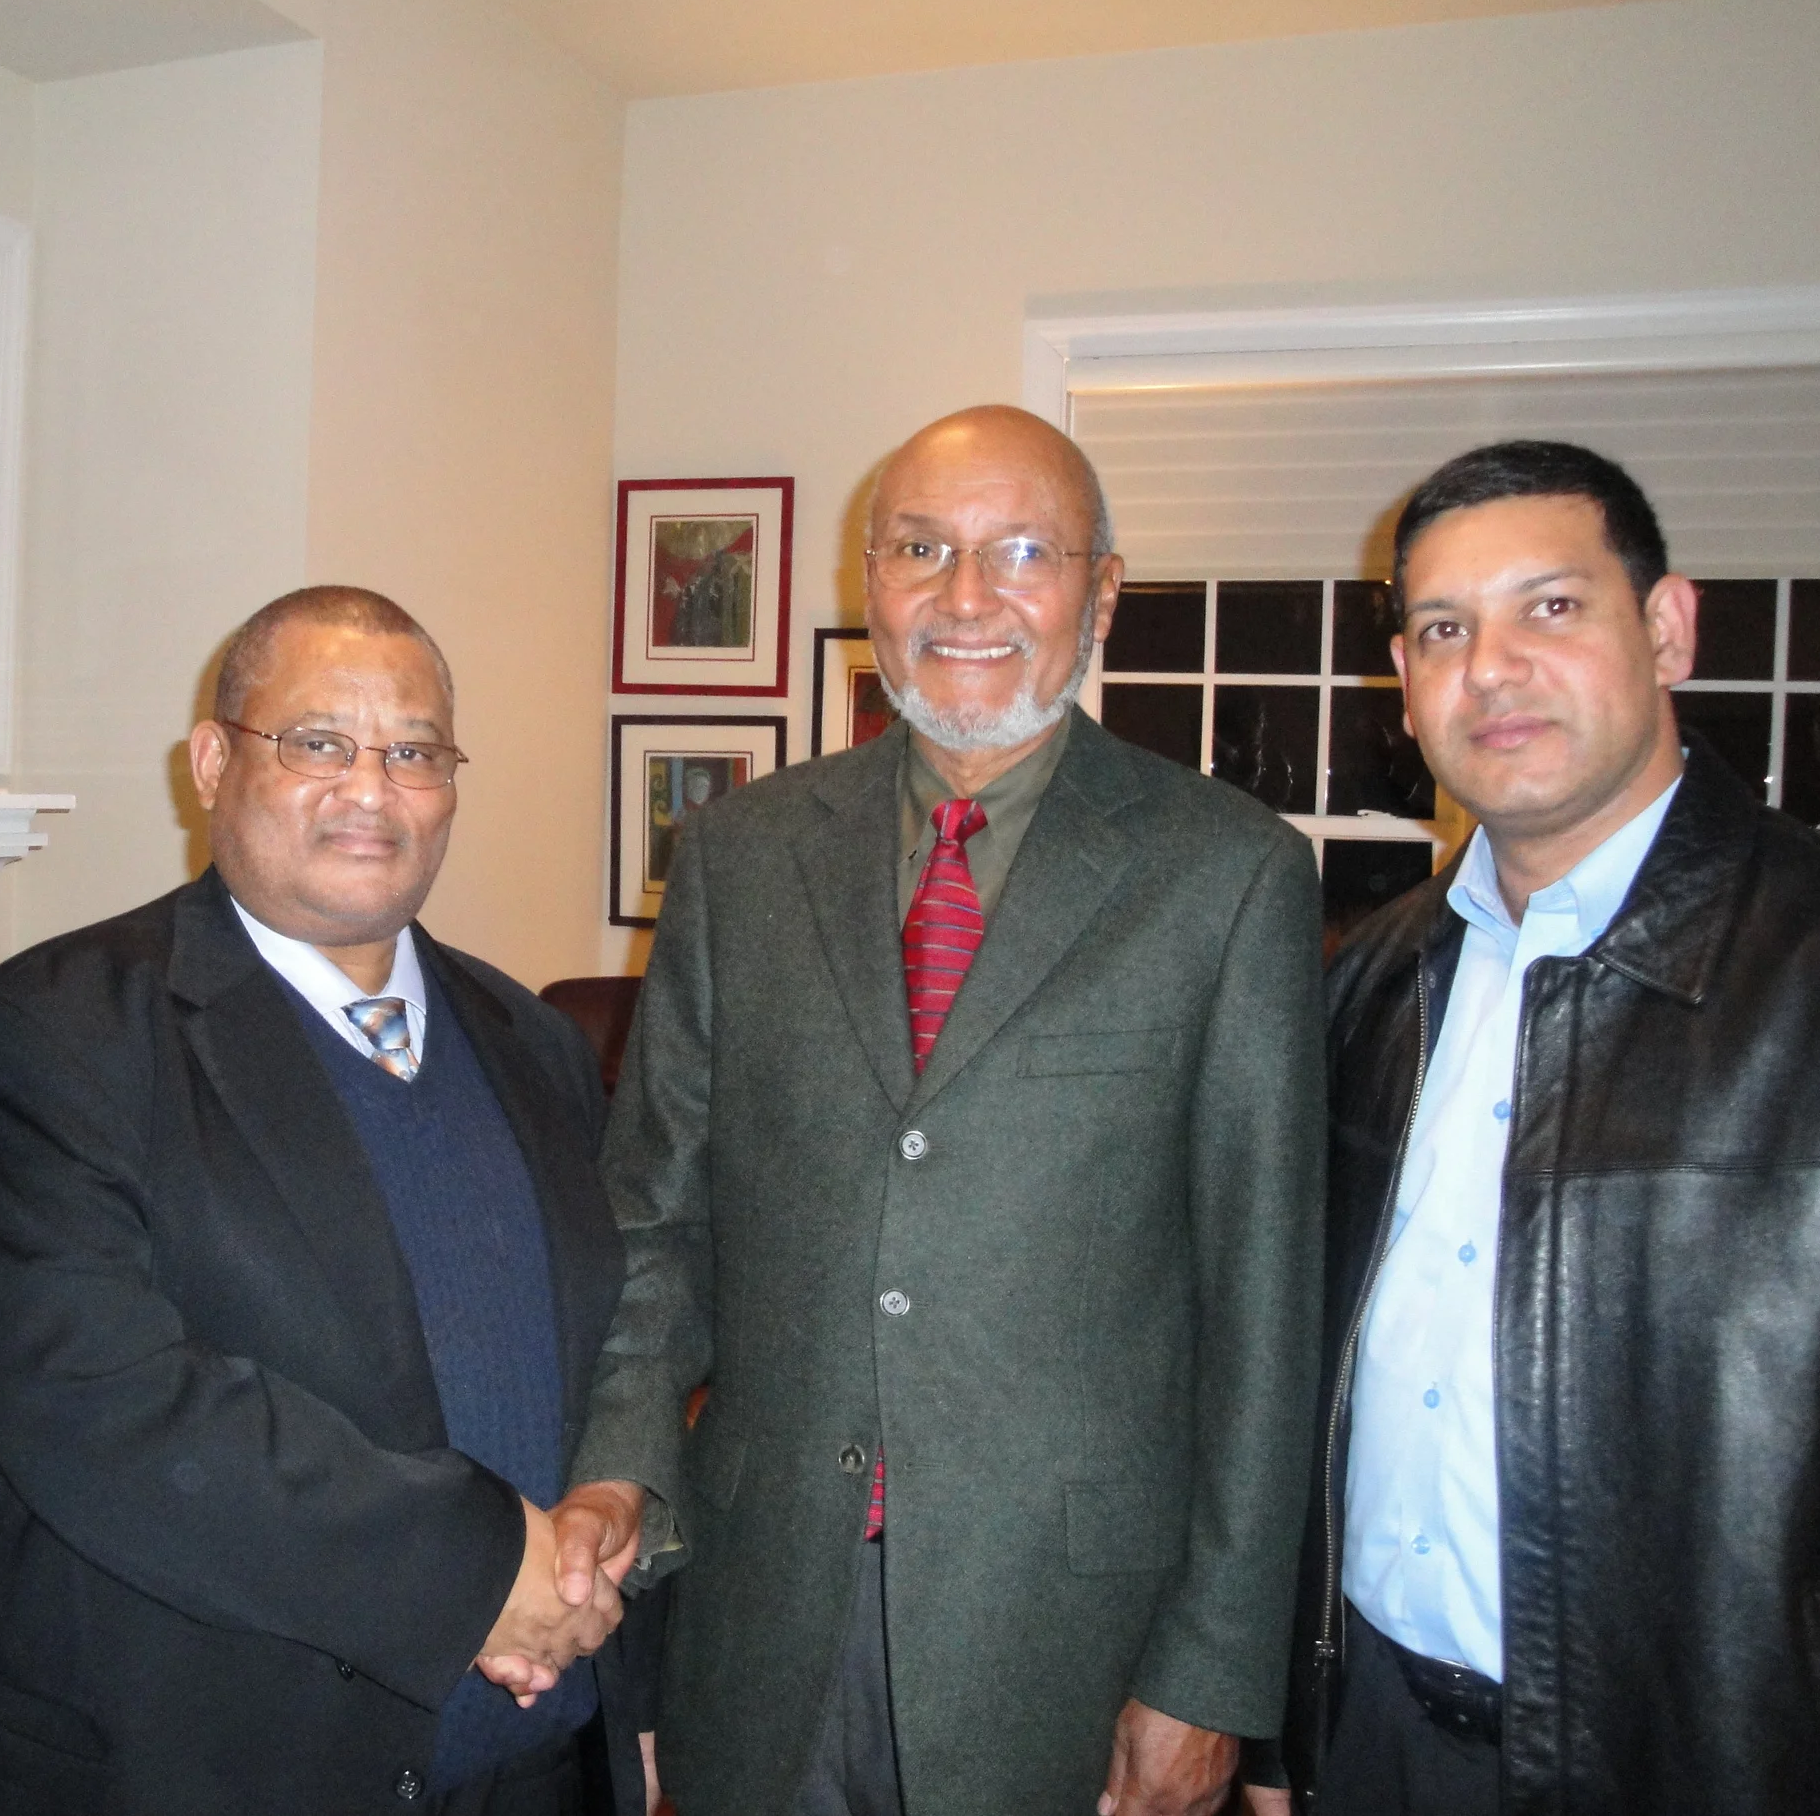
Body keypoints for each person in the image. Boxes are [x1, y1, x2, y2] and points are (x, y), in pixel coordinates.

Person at [558, 405, 1327, 1816]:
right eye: (923, 549)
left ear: (1101, 592)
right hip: (760, 1610)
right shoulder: (738, 852)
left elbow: (1265, 1319)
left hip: (1069, 1642)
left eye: (1021, 551)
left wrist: (1215, 1673)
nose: (966, 596)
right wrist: (623, 1488)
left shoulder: (1230, 876)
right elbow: (655, 1220)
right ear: (871, 584)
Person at [0, 586, 649, 1815]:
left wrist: (611, 1510)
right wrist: (480, 1572)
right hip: (220, 1768)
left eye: (413, 751)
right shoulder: (43, 1039)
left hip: (538, 1762)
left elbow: (601, 1342)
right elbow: (112, 1410)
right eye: (316, 743)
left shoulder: (531, 1039)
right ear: (212, 763)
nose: (370, 789)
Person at [1255, 440, 1820, 1816]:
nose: (1493, 667)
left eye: (1552, 607)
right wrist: (1288, 1718)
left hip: (1708, 1757)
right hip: (1377, 1734)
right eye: (1446, 628)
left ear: (1668, 627)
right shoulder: (1367, 981)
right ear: (1404, 677)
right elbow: (1303, 1378)